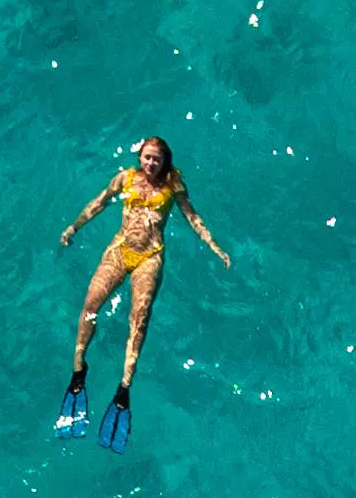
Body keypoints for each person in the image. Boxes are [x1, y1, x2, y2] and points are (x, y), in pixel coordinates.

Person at [57, 133, 232, 441]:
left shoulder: (172, 184)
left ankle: (124, 387)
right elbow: (99, 203)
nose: (151, 163)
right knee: (90, 307)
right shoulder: (125, 178)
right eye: (147, 157)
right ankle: (78, 369)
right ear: (140, 157)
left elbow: (192, 217)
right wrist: (73, 227)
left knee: (139, 318)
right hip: (121, 248)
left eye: (157, 159)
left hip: (149, 257)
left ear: (165, 162)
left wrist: (214, 246)